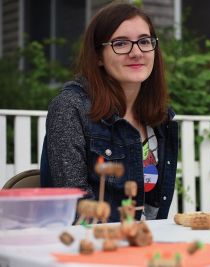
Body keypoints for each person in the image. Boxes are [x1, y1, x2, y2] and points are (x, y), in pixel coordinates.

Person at [40, 2, 178, 222]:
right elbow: (77, 207)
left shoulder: (160, 119)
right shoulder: (70, 108)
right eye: (120, 43)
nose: (136, 52)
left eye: (144, 41)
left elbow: (153, 211)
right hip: (89, 246)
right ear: (98, 57)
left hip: (144, 244)